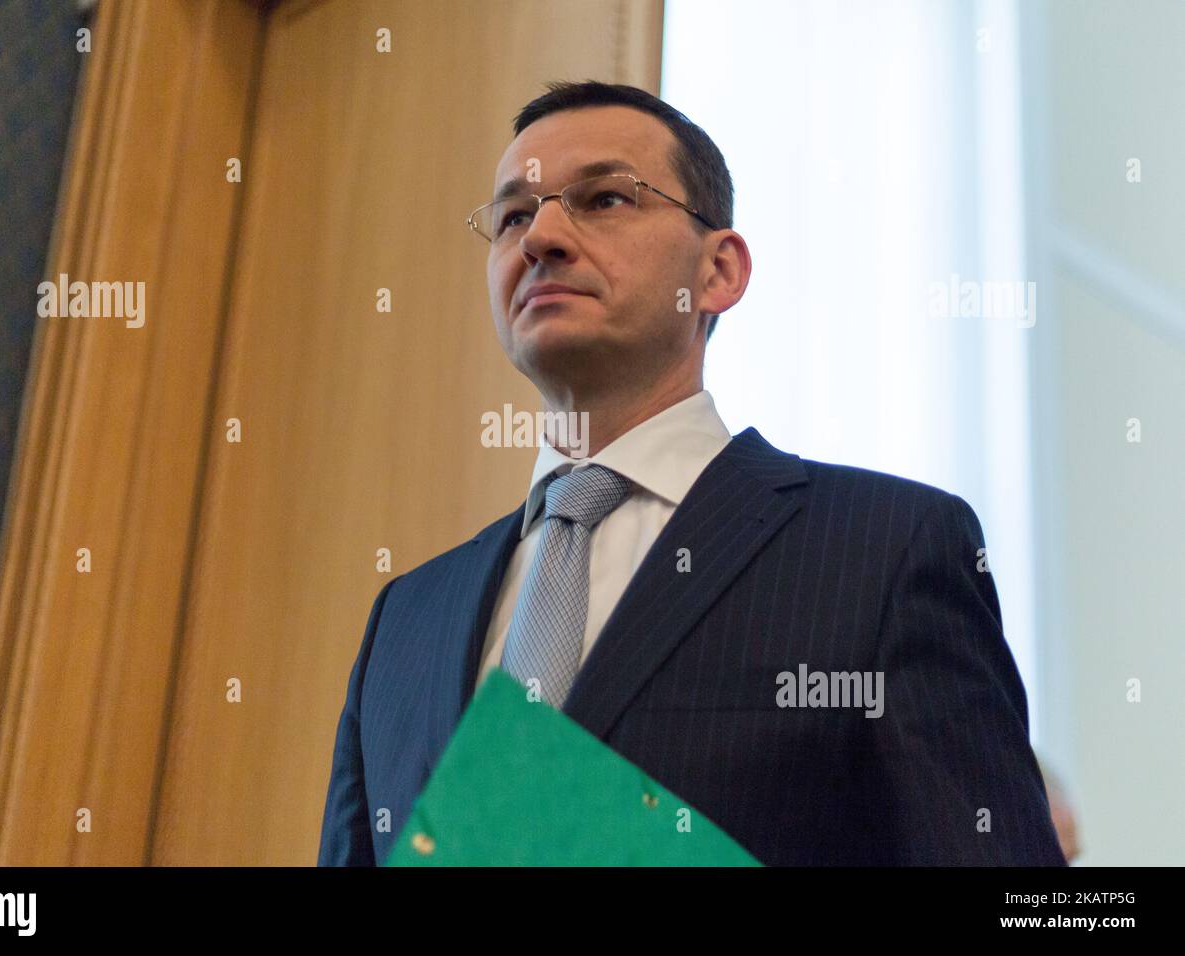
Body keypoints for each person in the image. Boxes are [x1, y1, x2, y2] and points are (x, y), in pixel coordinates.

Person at [318, 80, 1066, 866]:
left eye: (603, 199)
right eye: (513, 215)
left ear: (719, 272)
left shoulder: (887, 549)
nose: (541, 237)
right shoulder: (404, 621)